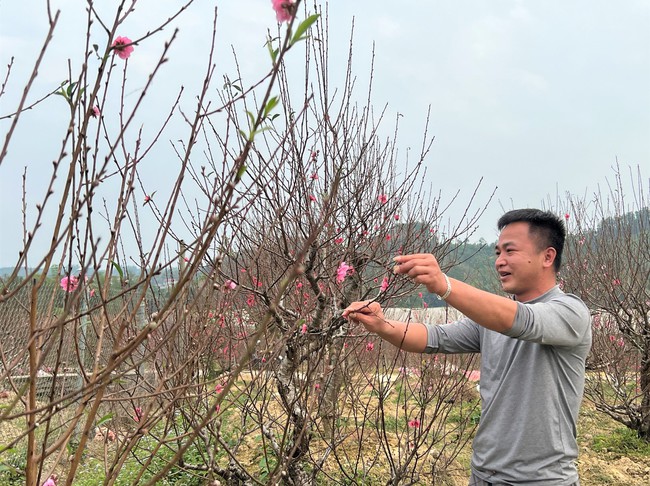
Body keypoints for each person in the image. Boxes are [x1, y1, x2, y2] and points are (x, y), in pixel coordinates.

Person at [343, 209, 591, 485]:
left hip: (541, 479)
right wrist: (381, 325)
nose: (500, 261)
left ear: (548, 256)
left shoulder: (569, 313)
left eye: (510, 251)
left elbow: (522, 321)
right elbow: (432, 338)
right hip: (484, 474)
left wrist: (443, 285)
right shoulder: (490, 319)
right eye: (497, 252)